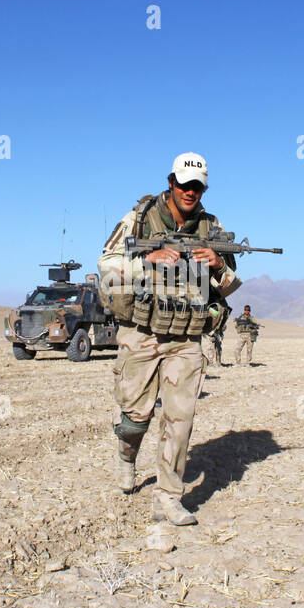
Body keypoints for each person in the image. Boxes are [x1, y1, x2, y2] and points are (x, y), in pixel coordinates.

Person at [98, 153, 241, 525]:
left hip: (186, 338)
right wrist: (148, 261)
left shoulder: (212, 227)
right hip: (142, 331)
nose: (190, 192)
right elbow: (107, 263)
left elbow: (228, 288)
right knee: (135, 416)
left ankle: (169, 495)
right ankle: (126, 457)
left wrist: (218, 265)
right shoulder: (140, 219)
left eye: (197, 186)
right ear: (171, 183)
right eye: (184, 184)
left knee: (180, 419)